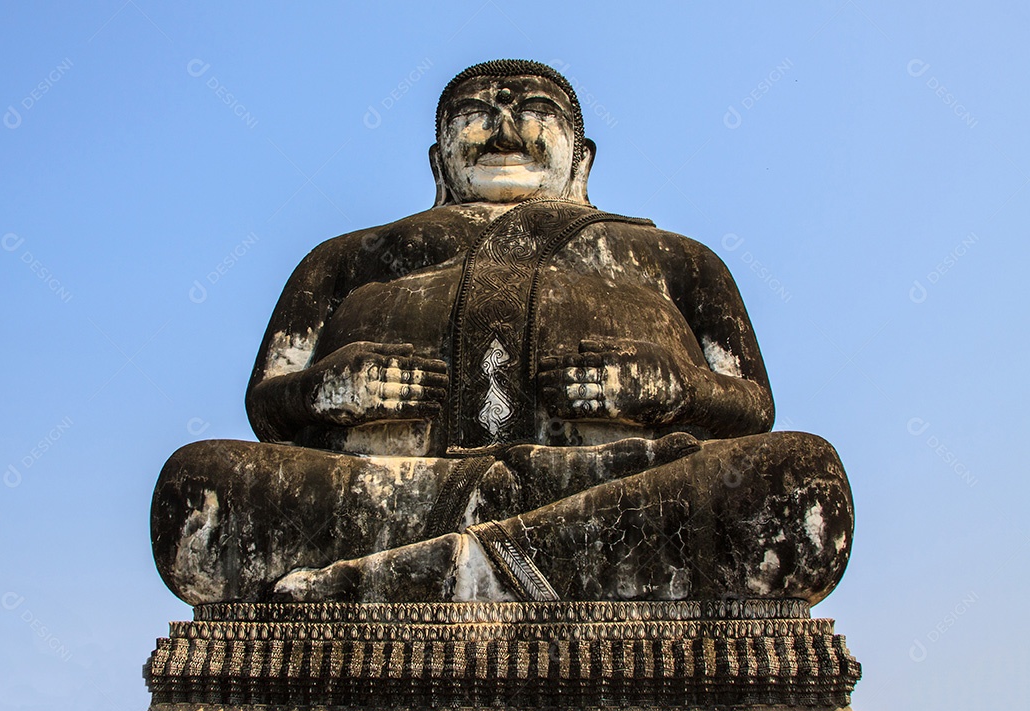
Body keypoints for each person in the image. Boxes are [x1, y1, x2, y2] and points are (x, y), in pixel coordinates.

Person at [152, 60, 853, 606]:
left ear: (580, 160)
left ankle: (414, 571)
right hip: (391, 493)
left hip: (607, 481)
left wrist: (673, 388)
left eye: (534, 111)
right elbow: (267, 402)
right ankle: (498, 558)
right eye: (475, 112)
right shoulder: (350, 256)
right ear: (438, 162)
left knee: (797, 480)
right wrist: (331, 388)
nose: (504, 126)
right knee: (200, 488)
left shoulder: (673, 258)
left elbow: (753, 406)